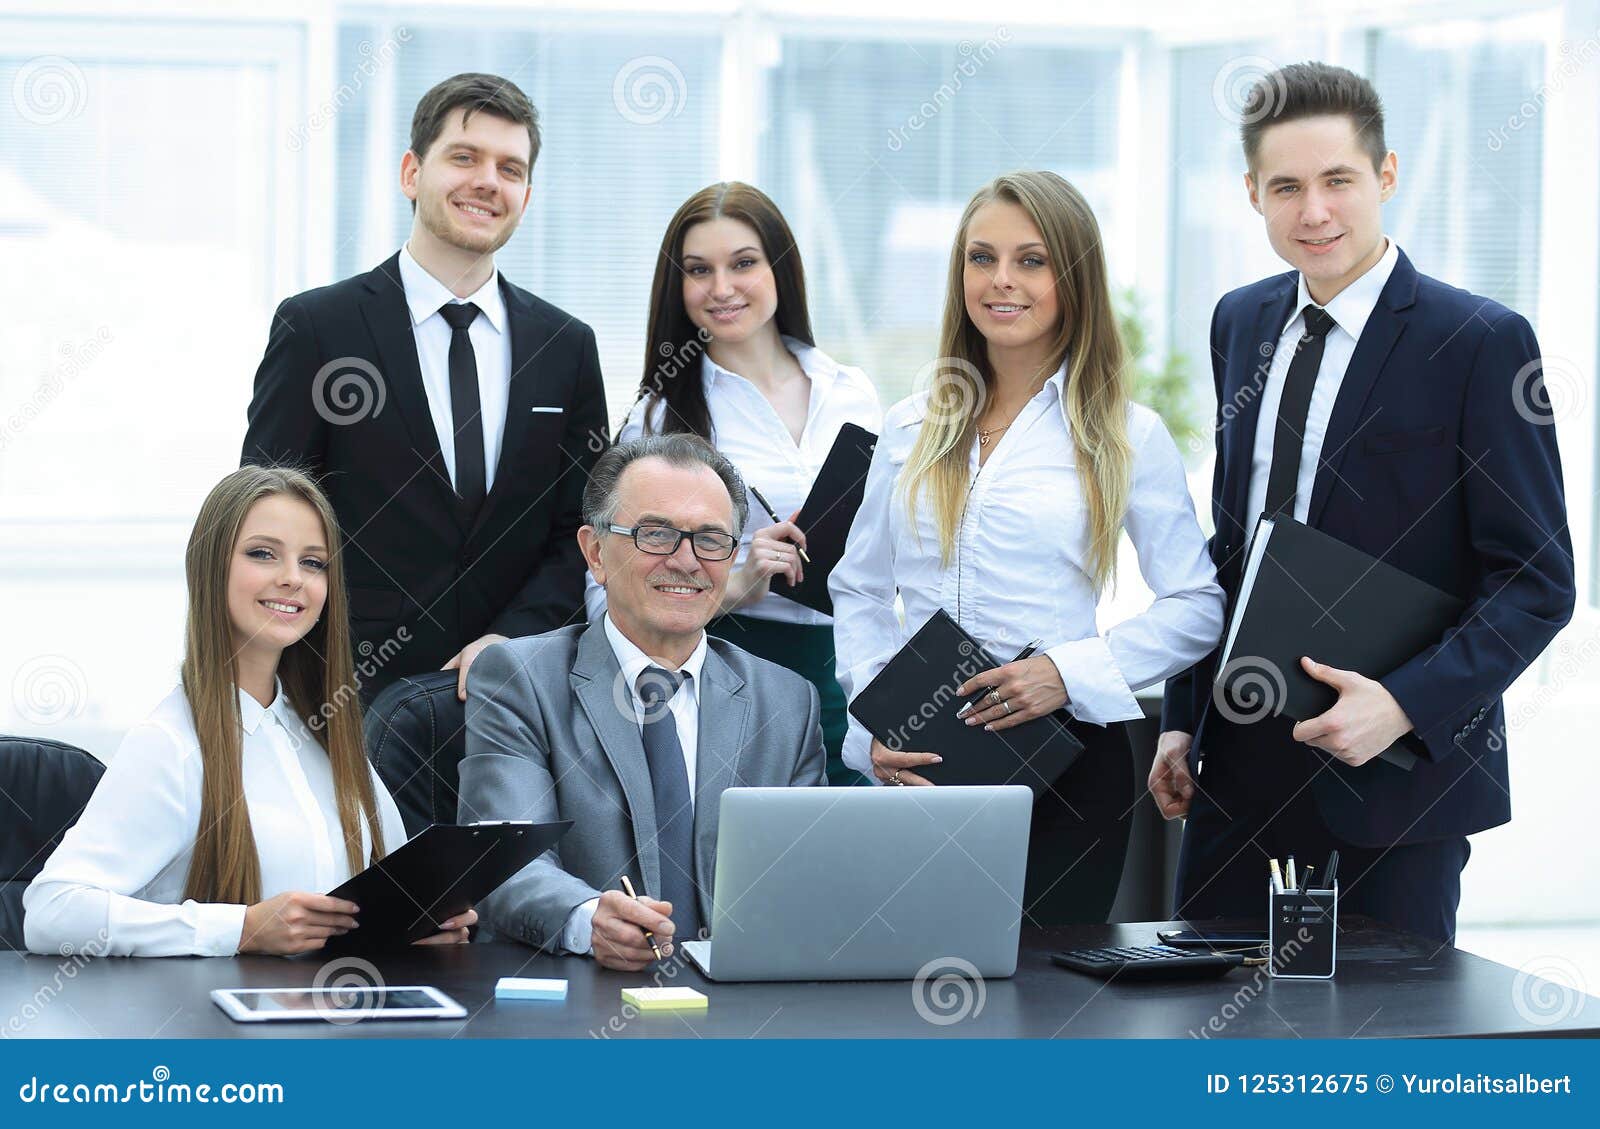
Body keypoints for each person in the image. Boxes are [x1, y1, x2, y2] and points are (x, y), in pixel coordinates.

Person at [1152, 62, 1574, 946]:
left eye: (1338, 180)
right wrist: (1181, 718)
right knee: (1204, 1045)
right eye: (1287, 188)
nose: (1314, 212)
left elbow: (1536, 582)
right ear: (1252, 195)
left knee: (1388, 1057)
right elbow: (1230, 546)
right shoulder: (1241, 321)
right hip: (1234, 769)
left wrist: (1405, 703)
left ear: (1384, 175)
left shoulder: (1479, 342)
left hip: (1395, 781)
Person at [830, 171, 1225, 926]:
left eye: (1032, 260)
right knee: (914, 995)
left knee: (1043, 1003)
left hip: (1065, 760)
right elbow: (860, 589)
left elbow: (1197, 606)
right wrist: (873, 722)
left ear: (1072, 276)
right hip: (923, 756)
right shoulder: (909, 426)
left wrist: (1065, 673)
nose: (1001, 280)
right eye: (982, 258)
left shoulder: (1126, 433)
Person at [242, 73, 607, 702]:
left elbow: (583, 526)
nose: (488, 181)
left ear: (526, 193)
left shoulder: (566, 345)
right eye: (464, 157)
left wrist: (513, 639)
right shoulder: (319, 327)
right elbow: (265, 514)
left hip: (517, 691)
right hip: (340, 693)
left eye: (510, 168)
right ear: (411, 173)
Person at [24, 467, 475, 957]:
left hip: (339, 1021)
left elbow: (369, 902)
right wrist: (239, 929)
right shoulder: (171, 742)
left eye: (313, 563)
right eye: (263, 554)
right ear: (210, 567)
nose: (292, 579)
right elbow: (52, 913)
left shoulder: (331, 738)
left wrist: (414, 926)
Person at [460, 435, 826, 970]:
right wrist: (588, 919)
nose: (686, 561)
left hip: (742, 1008)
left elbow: (806, 881)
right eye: (656, 535)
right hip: (582, 1006)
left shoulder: (787, 702)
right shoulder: (521, 679)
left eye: (710, 539)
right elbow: (504, 862)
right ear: (595, 553)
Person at [586, 182, 881, 786]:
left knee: (851, 856)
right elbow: (607, 596)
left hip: (854, 665)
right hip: (730, 665)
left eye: (743, 263)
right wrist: (741, 578)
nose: (721, 288)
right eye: (699, 270)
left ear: (781, 267)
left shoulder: (852, 392)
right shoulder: (657, 418)